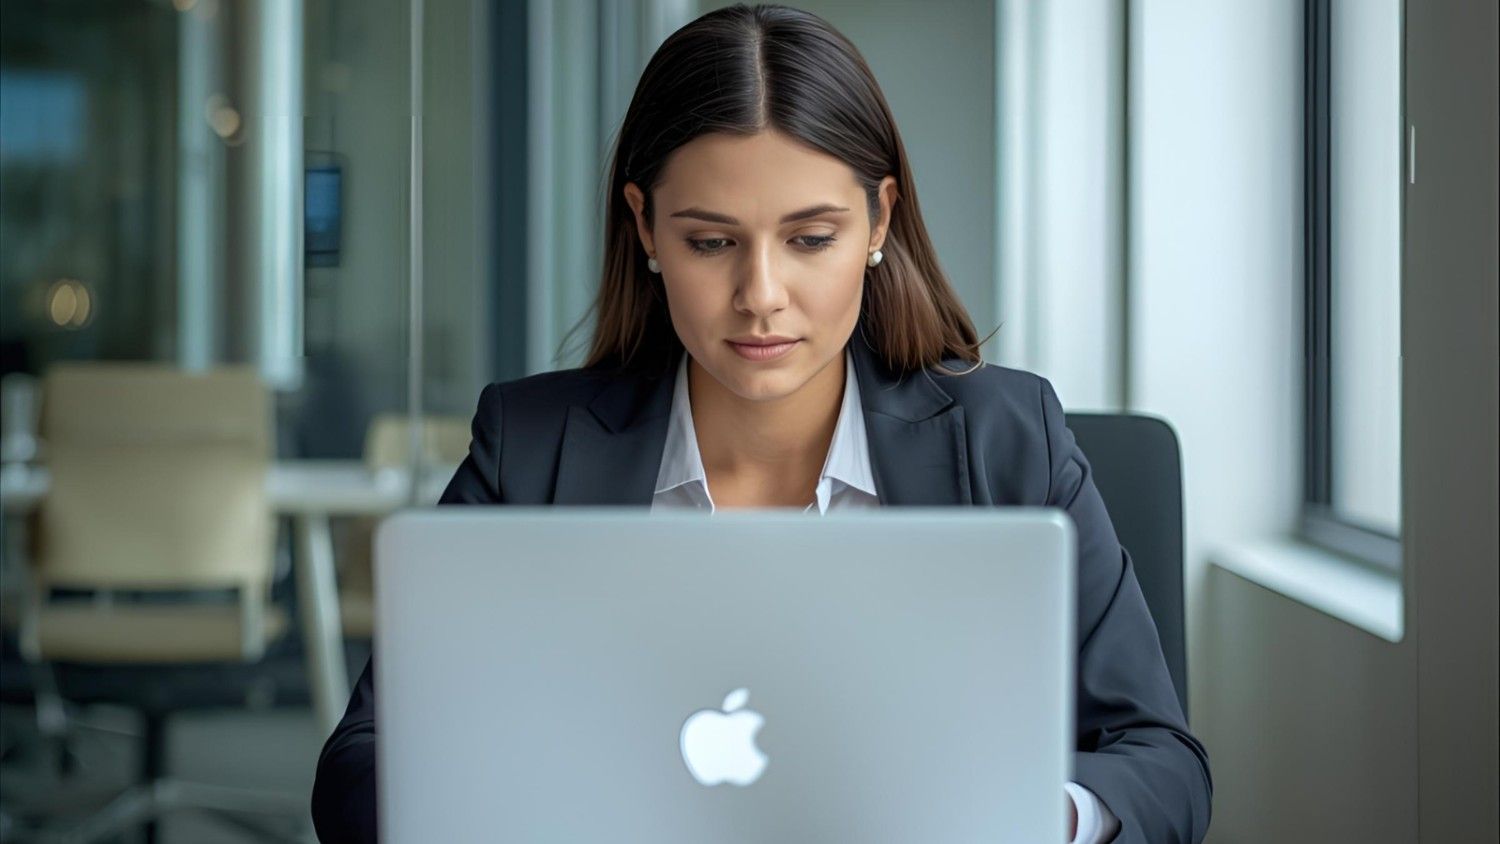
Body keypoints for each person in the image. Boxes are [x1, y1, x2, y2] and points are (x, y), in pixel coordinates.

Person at [311, 4, 1212, 842]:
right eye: (711, 242)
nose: (762, 298)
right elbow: (358, 769)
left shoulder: (1011, 438)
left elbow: (1163, 767)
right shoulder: (531, 446)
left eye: (810, 239)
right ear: (647, 229)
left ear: (877, 221)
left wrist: (1026, 814)